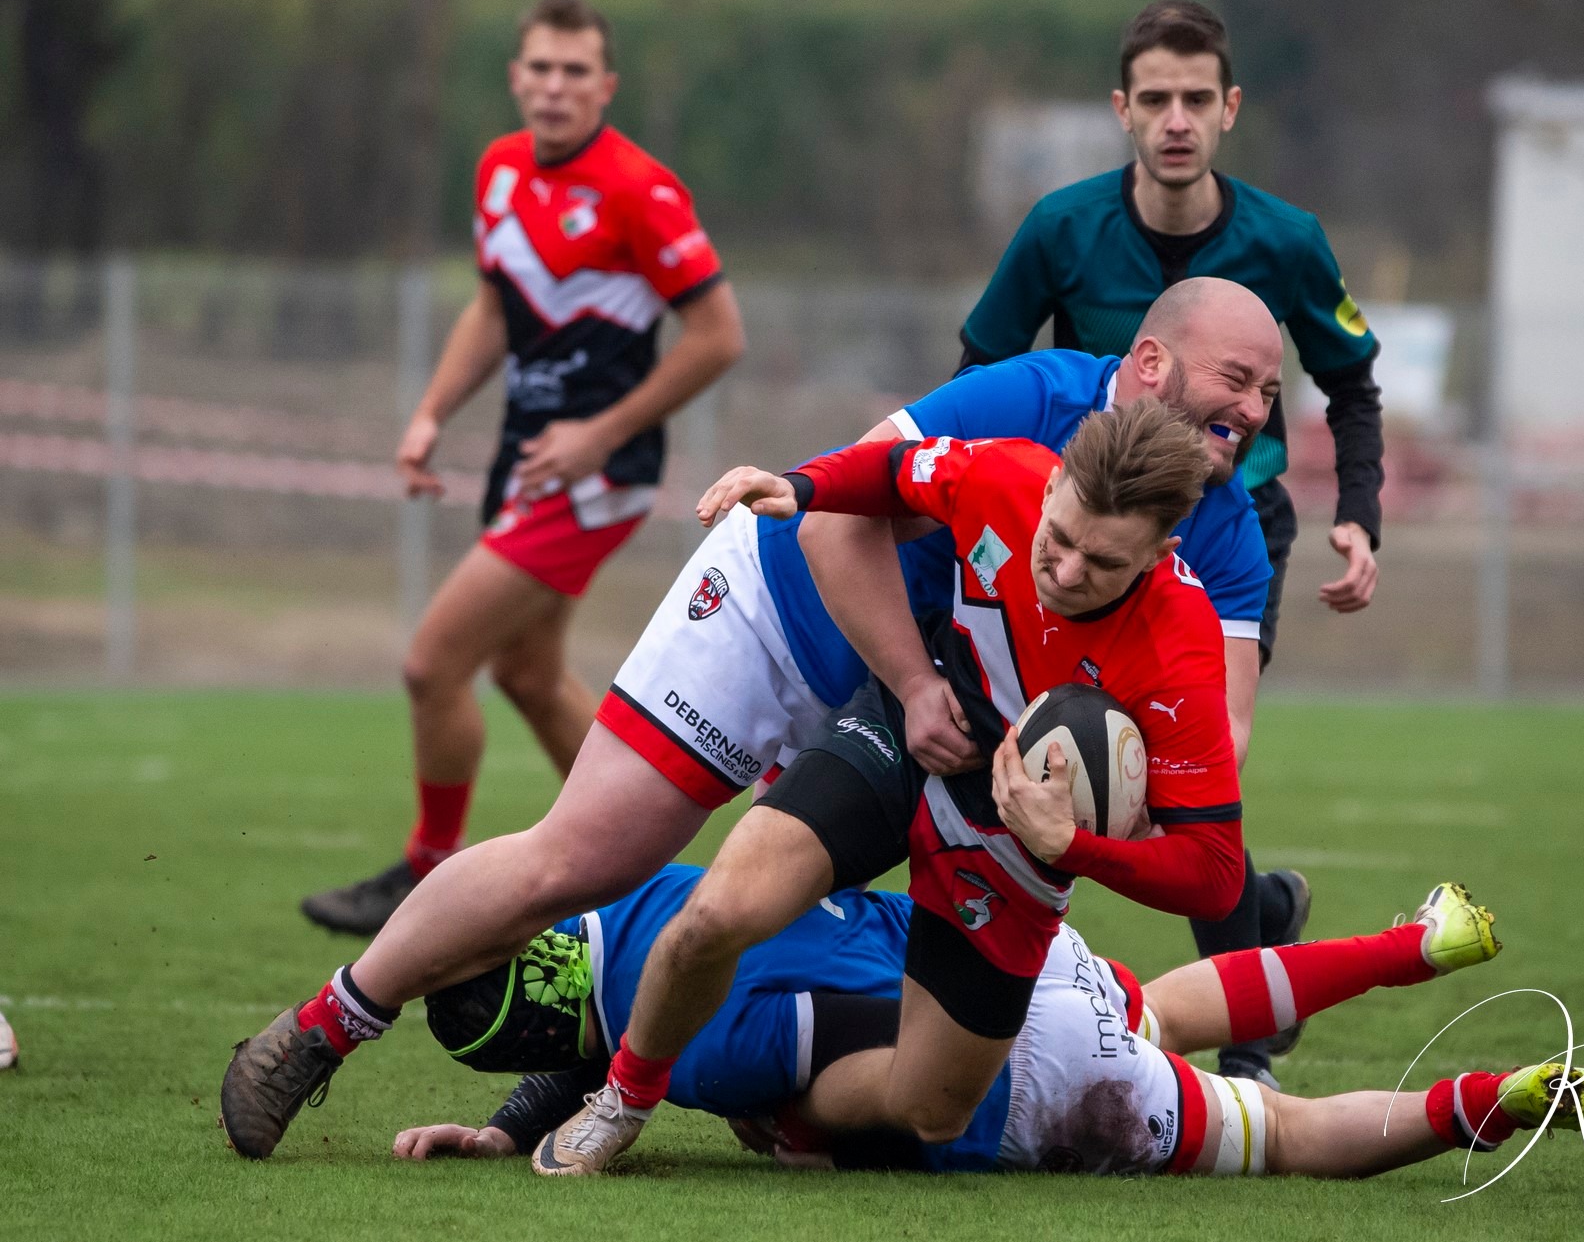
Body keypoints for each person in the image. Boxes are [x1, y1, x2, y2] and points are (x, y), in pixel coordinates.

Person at [219, 282, 1279, 1162]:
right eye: (1236, 379)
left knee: (786, 936)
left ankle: (590, 1090)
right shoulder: (1029, 408)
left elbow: (1203, 748)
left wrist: (1105, 823)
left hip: (952, 727)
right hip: (793, 615)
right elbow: (830, 517)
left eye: (1271, 391)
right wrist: (909, 683)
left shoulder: (1220, 540)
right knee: (589, 856)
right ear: (1149, 365)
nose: (1255, 407)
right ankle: (323, 1028)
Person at [529, 402, 1247, 1175]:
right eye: (1059, 539)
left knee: (931, 1108)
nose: (1067, 572)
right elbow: (887, 471)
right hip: (909, 739)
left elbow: (1214, 873)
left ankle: (789, 1109)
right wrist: (800, 485)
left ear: (1159, 553)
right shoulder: (1002, 471)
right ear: (1052, 487)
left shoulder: (1182, 650)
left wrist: (1072, 846)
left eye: (1103, 564)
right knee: (719, 912)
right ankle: (623, 1100)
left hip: (1018, 846)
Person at [959, 0, 1386, 1086]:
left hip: (1232, 531)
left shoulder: (1286, 241)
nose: (1177, 118)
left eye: (1198, 97)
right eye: (1155, 98)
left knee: (1198, 768)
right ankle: (1244, 914)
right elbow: (978, 368)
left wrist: (1361, 510)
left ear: (1230, 107)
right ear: (1122, 110)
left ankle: (1246, 1047)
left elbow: (1350, 383)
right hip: (1068, 528)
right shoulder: (1061, 227)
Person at [299, 0, 746, 936]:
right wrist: (428, 414)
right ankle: (638, 875)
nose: (554, 87)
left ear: (606, 85)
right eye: (539, 68)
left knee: (432, 664)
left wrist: (599, 433)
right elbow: (496, 311)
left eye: (575, 71)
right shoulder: (499, 171)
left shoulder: (639, 188)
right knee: (528, 674)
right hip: (527, 458)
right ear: (515, 77)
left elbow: (717, 336)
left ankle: (428, 869)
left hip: (595, 470)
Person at [396, 876, 1584, 1178]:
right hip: (1014, 943)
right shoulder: (645, 894)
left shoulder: (714, 1052)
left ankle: (1511, 1095)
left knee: (1290, 1133)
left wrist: (805, 1131)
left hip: (1012, 1062)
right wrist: (518, 1127)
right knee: (1174, 1003)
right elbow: (609, 1021)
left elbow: (889, 1084)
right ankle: (1425, 941)